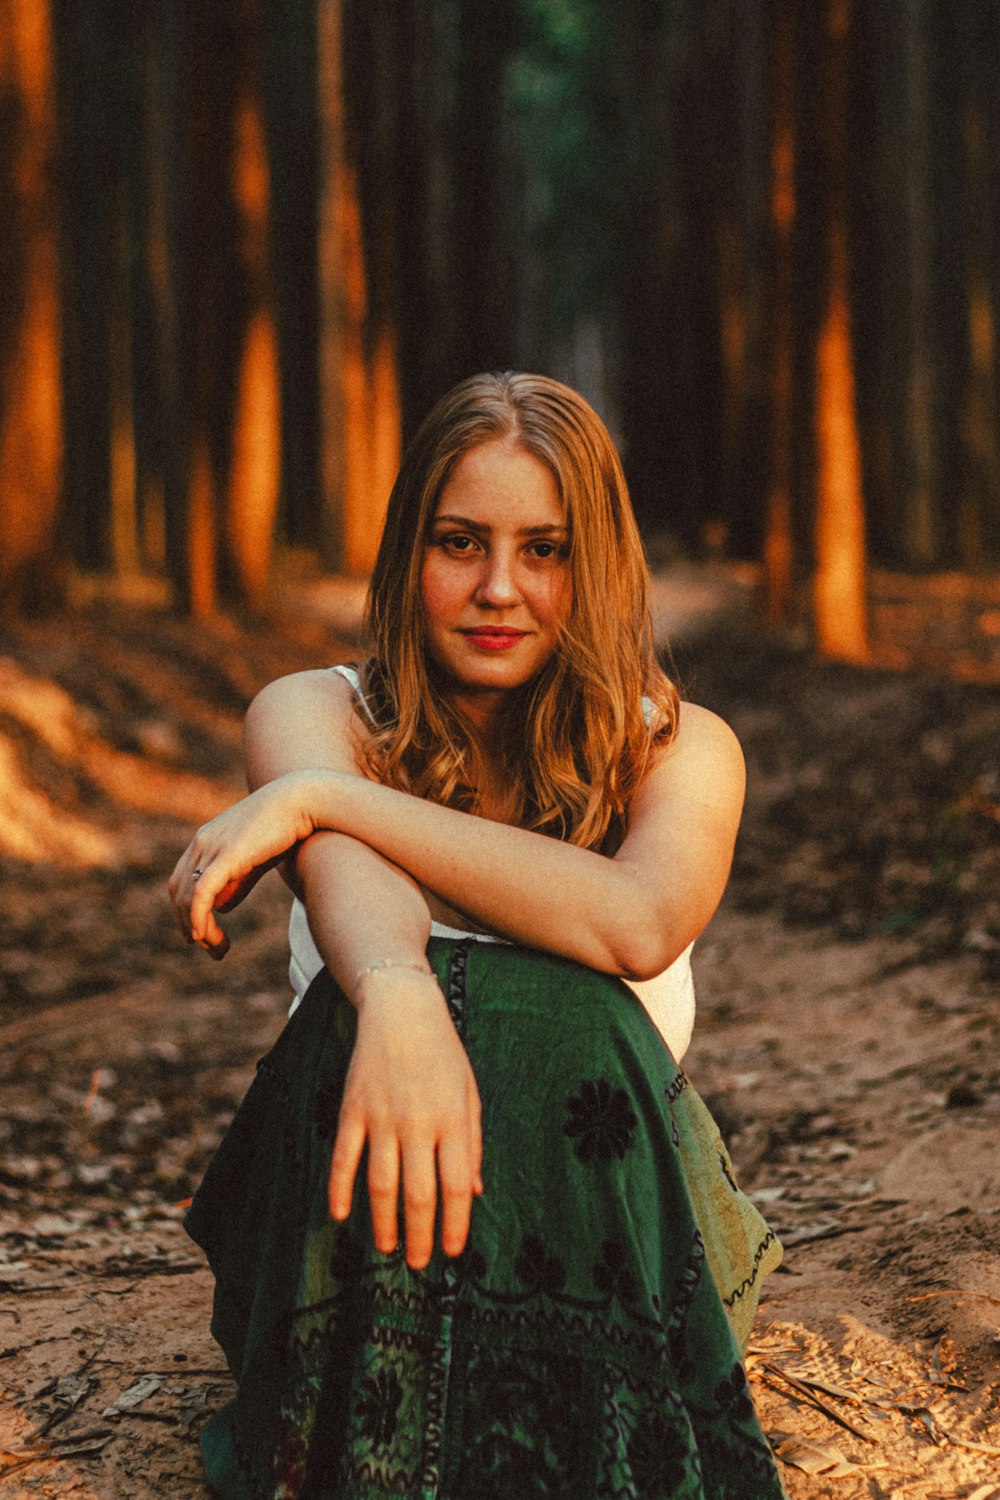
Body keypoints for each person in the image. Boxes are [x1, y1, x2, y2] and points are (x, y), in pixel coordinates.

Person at [169, 372, 786, 1498]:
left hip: (600, 1239)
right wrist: (397, 994)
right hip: (370, 1242)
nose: (498, 589)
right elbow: (375, 912)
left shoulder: (682, 748)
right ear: (409, 552)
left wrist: (329, 801)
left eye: (544, 550)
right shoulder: (313, 715)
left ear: (593, 564)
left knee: (578, 1016)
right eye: (460, 542)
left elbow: (639, 924)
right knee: (369, 1016)